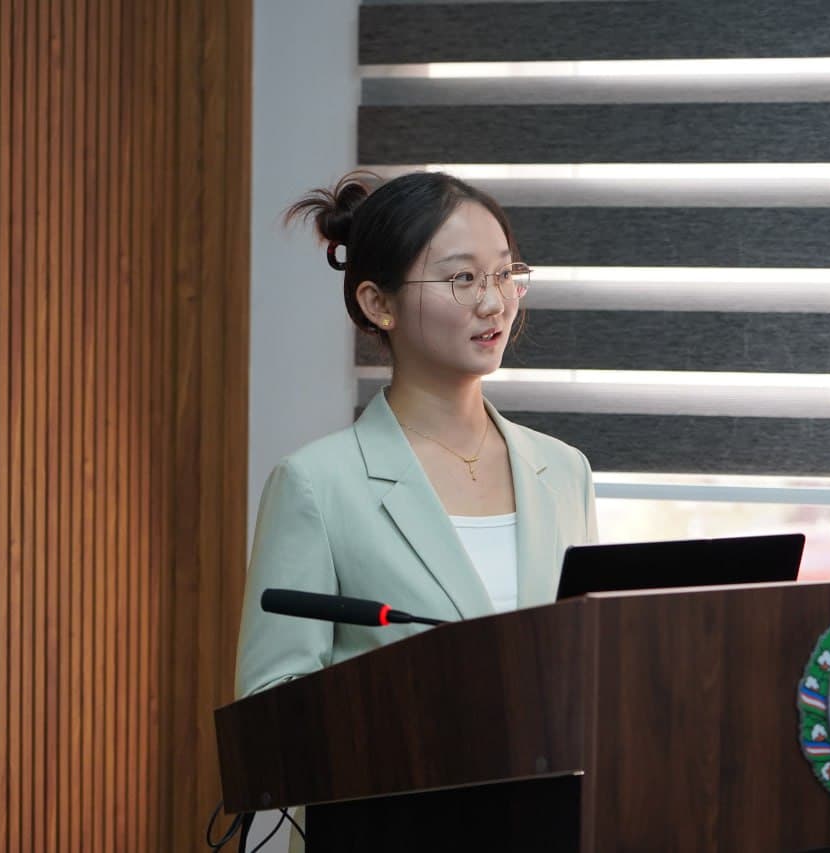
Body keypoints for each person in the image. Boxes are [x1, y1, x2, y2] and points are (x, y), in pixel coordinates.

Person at [235, 171, 599, 699]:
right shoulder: (316, 486)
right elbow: (268, 703)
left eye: (503, 273)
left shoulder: (565, 471)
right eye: (462, 279)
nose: (494, 303)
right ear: (378, 304)